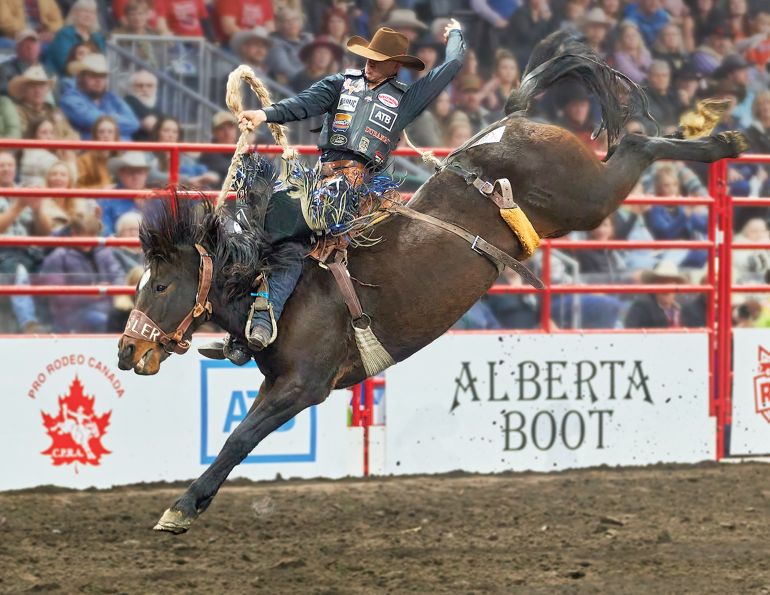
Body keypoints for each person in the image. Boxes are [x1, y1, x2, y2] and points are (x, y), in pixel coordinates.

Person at [200, 19, 466, 364]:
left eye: (379, 59)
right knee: (259, 226)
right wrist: (263, 114)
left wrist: (455, 34)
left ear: (395, 65)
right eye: (369, 56)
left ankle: (254, 327)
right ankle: (243, 327)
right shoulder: (341, 84)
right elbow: (303, 104)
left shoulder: (406, 98)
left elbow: (452, 65)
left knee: (289, 234)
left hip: (359, 186)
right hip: (322, 178)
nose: (370, 63)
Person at [39, 199, 124, 333]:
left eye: (93, 234)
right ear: (73, 233)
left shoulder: (104, 252)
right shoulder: (58, 256)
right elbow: (57, 297)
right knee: (102, 320)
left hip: (107, 309)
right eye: (86, 234)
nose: (90, 239)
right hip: (71, 316)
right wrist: (89, 294)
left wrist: (110, 291)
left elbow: (119, 276)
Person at [60, 53, 140, 140]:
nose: (98, 80)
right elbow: (92, 121)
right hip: (90, 151)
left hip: (122, 150)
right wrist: (117, 118)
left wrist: (106, 120)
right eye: (93, 75)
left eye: (102, 76)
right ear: (80, 77)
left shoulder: (112, 98)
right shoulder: (70, 99)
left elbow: (134, 123)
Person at [9, 65, 78, 140]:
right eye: (33, 86)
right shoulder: (17, 112)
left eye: (41, 86)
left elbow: (73, 135)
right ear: (24, 90)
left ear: (47, 89)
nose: (38, 91)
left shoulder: (54, 111)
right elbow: (27, 136)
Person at [146, 117, 219, 187]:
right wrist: (187, 180)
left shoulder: (184, 158)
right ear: (157, 133)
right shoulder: (149, 154)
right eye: (166, 130)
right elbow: (151, 176)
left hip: (183, 195)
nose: (171, 135)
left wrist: (208, 175)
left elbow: (199, 174)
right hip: (158, 196)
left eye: (175, 132)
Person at [44, 0, 105, 77]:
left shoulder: (98, 38)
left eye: (92, 12)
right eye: (84, 11)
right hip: (67, 79)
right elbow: (65, 64)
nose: (88, 15)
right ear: (75, 14)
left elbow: (103, 64)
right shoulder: (64, 34)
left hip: (93, 79)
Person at [101, 151, 150, 235]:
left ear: (146, 175)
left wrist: (145, 208)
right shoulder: (108, 197)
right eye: (131, 172)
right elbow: (104, 230)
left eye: (140, 172)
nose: (136, 177)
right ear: (121, 174)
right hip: (117, 246)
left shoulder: (154, 199)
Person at [624, 261, 685, 328]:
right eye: (662, 282)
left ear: (676, 285)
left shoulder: (684, 308)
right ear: (654, 284)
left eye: (670, 282)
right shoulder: (641, 308)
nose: (666, 286)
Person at [0, 29, 54, 96]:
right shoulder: (5, 69)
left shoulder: (47, 71)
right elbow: (3, 95)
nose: (30, 47)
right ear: (17, 49)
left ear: (39, 48)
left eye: (33, 42)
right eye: (24, 44)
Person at [268, 8, 313, 85]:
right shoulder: (275, 43)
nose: (292, 23)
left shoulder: (308, 39)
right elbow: (284, 69)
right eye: (287, 21)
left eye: (294, 19)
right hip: (295, 87)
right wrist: (310, 79)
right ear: (279, 24)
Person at [77, 115, 119, 189]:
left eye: (110, 132)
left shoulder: (122, 158)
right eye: (101, 132)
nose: (106, 135)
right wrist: (101, 188)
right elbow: (78, 188)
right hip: (94, 199)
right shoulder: (84, 160)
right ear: (95, 135)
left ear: (116, 136)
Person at [123, 70, 163, 142]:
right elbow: (150, 124)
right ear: (131, 87)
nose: (144, 89)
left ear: (155, 88)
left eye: (149, 86)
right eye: (139, 86)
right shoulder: (129, 101)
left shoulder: (155, 108)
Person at [198, 111, 238, 181]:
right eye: (221, 129)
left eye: (230, 127)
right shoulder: (208, 152)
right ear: (214, 133)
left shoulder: (244, 150)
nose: (227, 133)